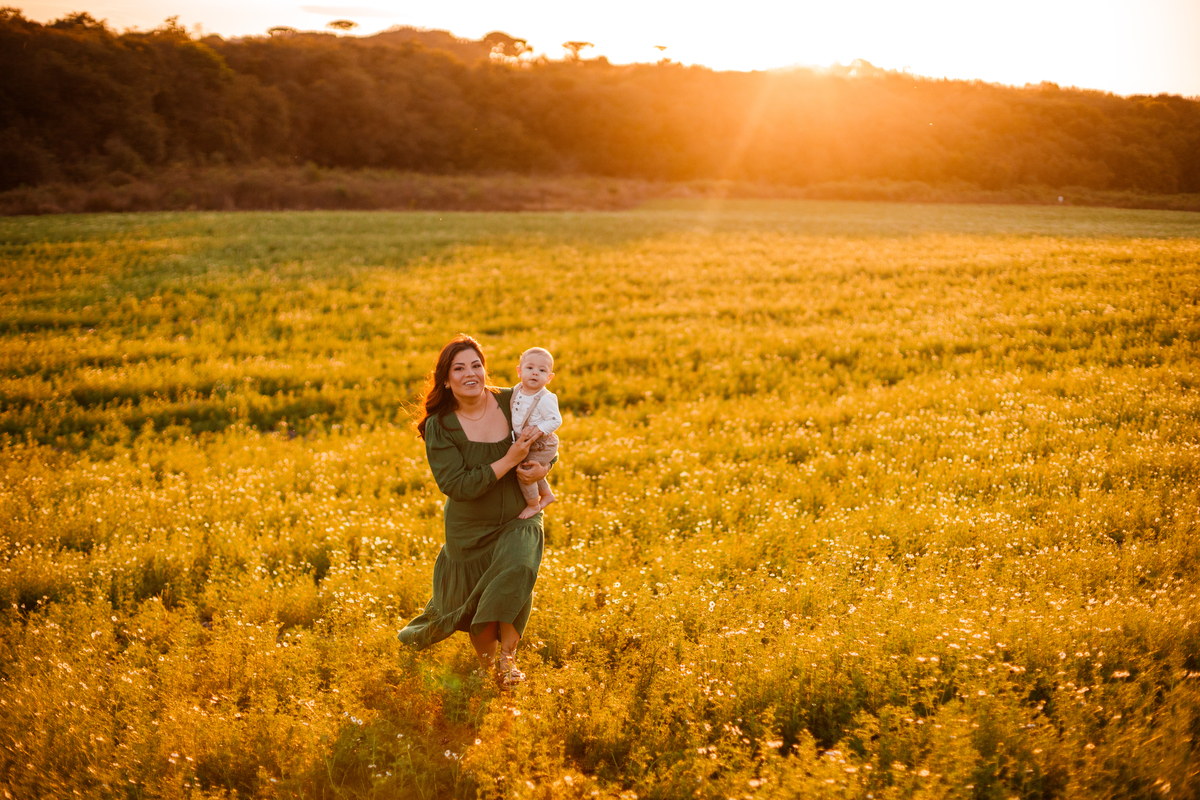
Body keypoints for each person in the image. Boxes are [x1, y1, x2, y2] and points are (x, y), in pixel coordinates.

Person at [398, 335, 552, 687]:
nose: (471, 373)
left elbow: (546, 442)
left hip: (520, 515)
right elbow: (458, 485)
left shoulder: (513, 400)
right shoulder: (441, 426)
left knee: (517, 570)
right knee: (477, 600)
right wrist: (508, 461)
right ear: (446, 380)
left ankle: (508, 662)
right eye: (459, 368)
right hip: (470, 530)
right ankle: (486, 668)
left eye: (476, 365)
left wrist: (543, 468)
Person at [511, 347, 561, 520]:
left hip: (542, 443)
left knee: (526, 470)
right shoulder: (517, 390)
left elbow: (556, 420)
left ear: (549, 378)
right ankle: (547, 495)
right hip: (529, 441)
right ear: (519, 371)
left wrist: (538, 430)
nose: (534, 373)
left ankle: (533, 505)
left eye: (542, 370)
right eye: (530, 368)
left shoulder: (545, 398)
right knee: (532, 466)